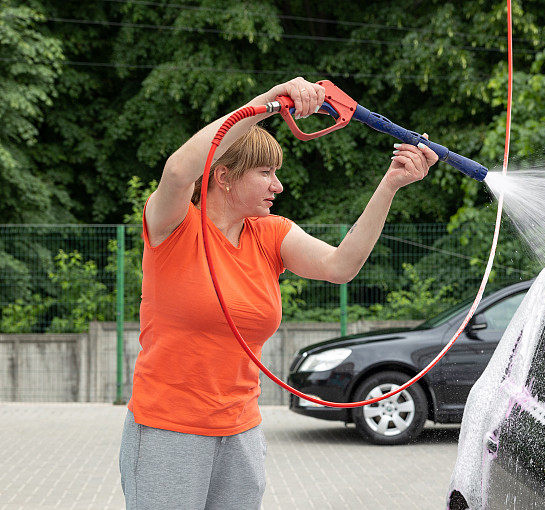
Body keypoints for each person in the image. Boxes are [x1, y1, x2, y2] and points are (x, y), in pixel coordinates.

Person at [118, 76, 438, 509]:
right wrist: (269, 103)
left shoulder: (271, 235)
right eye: (266, 172)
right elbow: (177, 171)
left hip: (240, 431)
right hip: (167, 430)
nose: (278, 186)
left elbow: (340, 266)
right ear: (225, 177)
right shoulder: (174, 226)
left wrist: (390, 186)